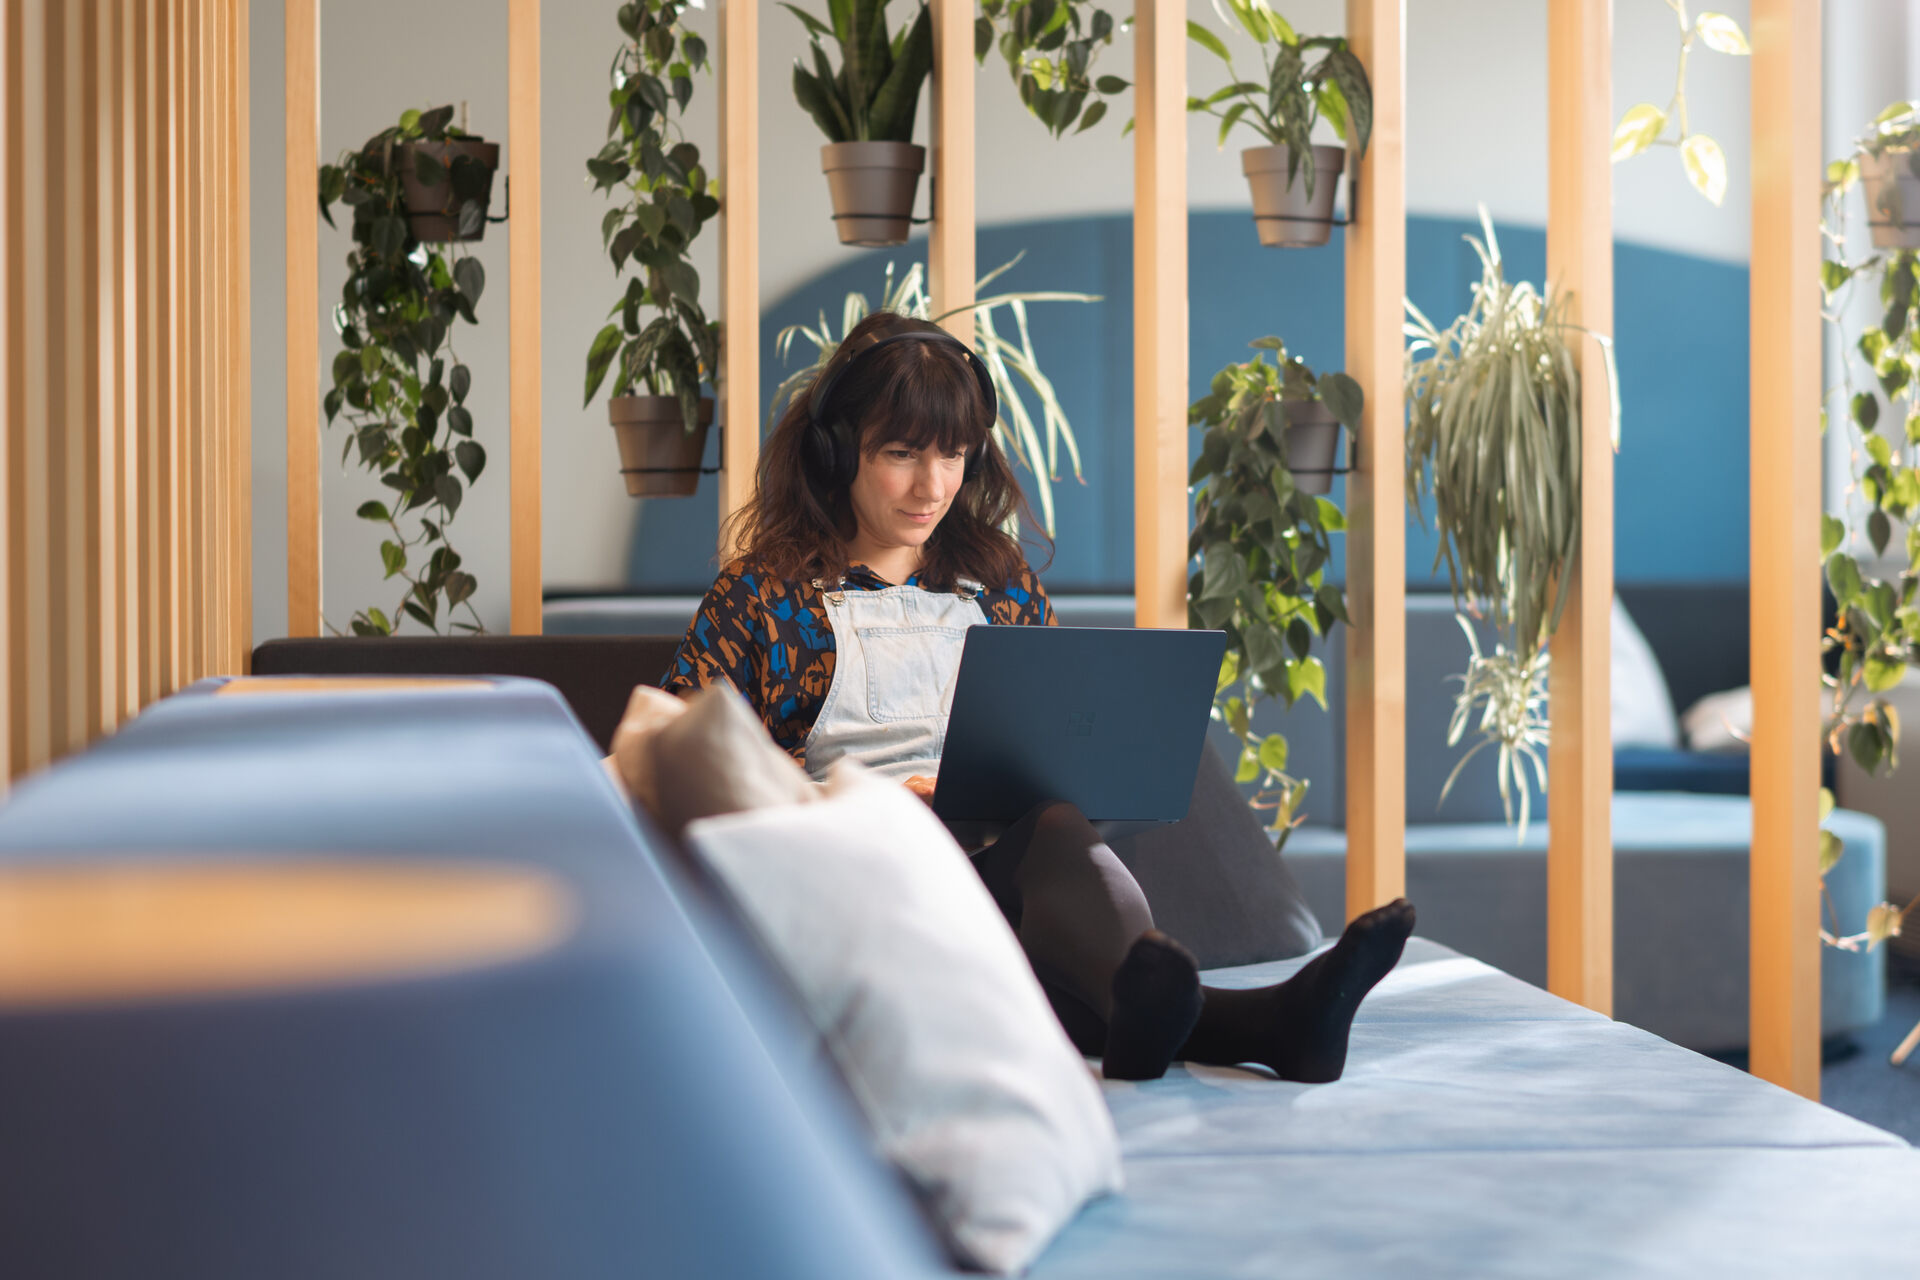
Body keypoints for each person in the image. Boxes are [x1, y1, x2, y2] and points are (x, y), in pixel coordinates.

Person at [660, 310, 1414, 1082]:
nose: (933, 487)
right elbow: (676, 765)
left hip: (999, 885)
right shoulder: (763, 596)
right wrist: (859, 798)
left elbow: (1055, 741)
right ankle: (1266, 1024)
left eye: (953, 455)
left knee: (1054, 832)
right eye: (901, 454)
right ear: (836, 450)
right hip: (861, 885)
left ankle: (1225, 1025)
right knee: (1061, 940)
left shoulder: (999, 581)